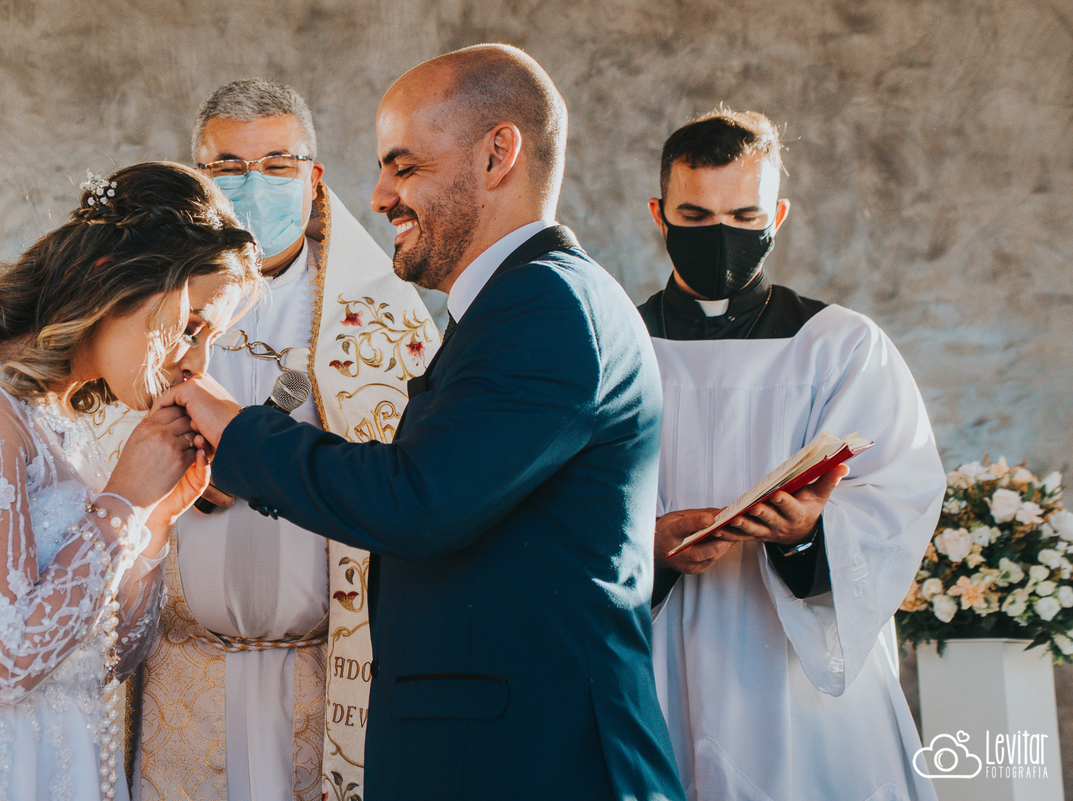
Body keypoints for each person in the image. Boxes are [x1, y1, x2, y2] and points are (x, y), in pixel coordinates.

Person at [160, 45, 685, 801]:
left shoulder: (546, 307)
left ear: (498, 154)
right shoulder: (516, 303)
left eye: (404, 167)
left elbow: (418, 501)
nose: (376, 196)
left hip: (531, 758)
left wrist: (235, 430)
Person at [0, 161, 260, 801]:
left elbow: (111, 658)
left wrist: (154, 520)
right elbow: (2, 662)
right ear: (113, 277)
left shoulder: (57, 421)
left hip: (66, 763)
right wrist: (122, 500)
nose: (197, 362)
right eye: (191, 325)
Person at [110, 80, 437, 801]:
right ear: (198, 177)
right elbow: (94, 446)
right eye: (227, 166)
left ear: (314, 178)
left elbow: (415, 487)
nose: (251, 183)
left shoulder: (385, 319)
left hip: (323, 678)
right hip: (179, 671)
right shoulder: (141, 307)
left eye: (277, 164)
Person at [637, 109, 944, 800]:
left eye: (744, 216)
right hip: (656, 651)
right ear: (659, 214)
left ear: (777, 213)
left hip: (792, 667)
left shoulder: (840, 345)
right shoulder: (616, 344)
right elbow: (565, 497)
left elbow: (898, 489)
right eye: (696, 213)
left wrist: (810, 536)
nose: (721, 235)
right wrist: (645, 546)